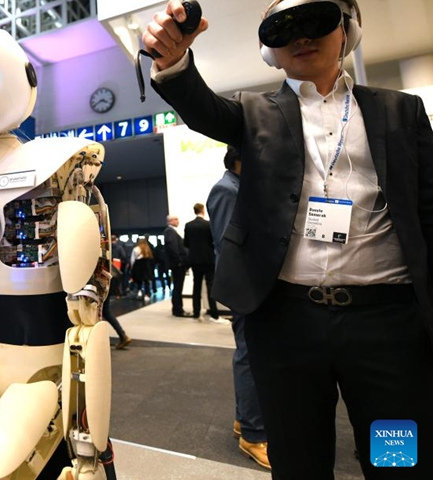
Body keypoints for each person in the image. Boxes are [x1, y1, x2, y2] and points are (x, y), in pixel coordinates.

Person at [143, 1, 433, 478]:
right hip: (287, 325)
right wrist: (173, 61)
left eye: (314, 20)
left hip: (388, 327)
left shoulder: (400, 110)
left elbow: (428, 210)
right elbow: (202, 108)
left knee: (394, 457)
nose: (300, 36)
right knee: (300, 460)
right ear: (269, 50)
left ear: (346, 30)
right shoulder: (254, 112)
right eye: (283, 28)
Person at [207, 146, 269, 469]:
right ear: (239, 159)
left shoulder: (239, 188)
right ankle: (253, 435)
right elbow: (229, 246)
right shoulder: (226, 189)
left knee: (251, 354)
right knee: (249, 356)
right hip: (246, 289)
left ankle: (243, 421)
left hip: (251, 288)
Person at [183, 203, 220, 320]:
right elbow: (214, 241)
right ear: (202, 210)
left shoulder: (188, 225)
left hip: (194, 260)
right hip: (208, 259)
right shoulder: (208, 225)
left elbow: (186, 243)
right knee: (211, 286)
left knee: (196, 286)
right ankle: (214, 313)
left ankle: (196, 312)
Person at [163, 215, 189, 317]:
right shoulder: (170, 231)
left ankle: (178, 309)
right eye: (176, 219)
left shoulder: (171, 231)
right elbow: (172, 247)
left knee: (178, 287)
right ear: (171, 221)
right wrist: (180, 260)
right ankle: (178, 310)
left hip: (177, 263)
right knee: (178, 287)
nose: (178, 221)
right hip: (177, 264)